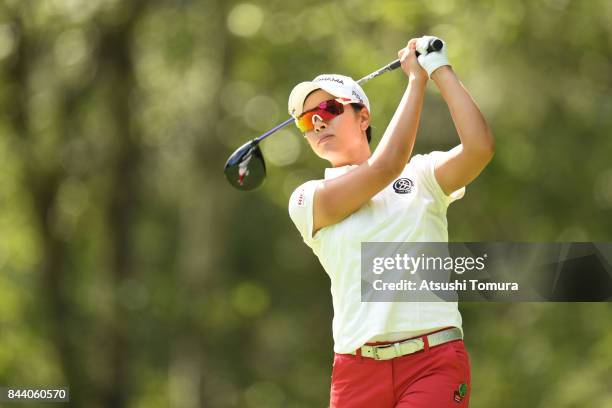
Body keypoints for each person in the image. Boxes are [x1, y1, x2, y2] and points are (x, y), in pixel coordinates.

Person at [287, 36, 494, 408]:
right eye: (306, 118)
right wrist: (414, 82)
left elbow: (479, 147)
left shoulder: (422, 175)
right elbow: (385, 166)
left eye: (330, 109)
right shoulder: (308, 199)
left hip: (432, 362)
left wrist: (437, 69)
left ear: (363, 116)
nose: (317, 122)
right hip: (356, 372)